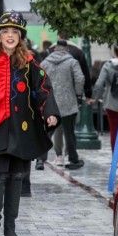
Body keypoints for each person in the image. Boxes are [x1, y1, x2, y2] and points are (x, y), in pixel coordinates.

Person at [0, 11, 59, 236]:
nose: (10, 36)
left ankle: (10, 228)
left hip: (22, 130)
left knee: (16, 177)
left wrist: (50, 112)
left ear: (20, 37)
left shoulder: (30, 63)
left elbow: (44, 88)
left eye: (15, 32)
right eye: (6, 32)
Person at [41, 42, 85, 170]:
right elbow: (80, 79)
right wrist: (78, 94)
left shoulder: (44, 63)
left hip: (50, 102)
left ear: (54, 49)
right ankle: (73, 160)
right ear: (67, 49)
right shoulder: (72, 62)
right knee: (69, 133)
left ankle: (40, 159)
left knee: (48, 132)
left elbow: (40, 80)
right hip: (68, 102)